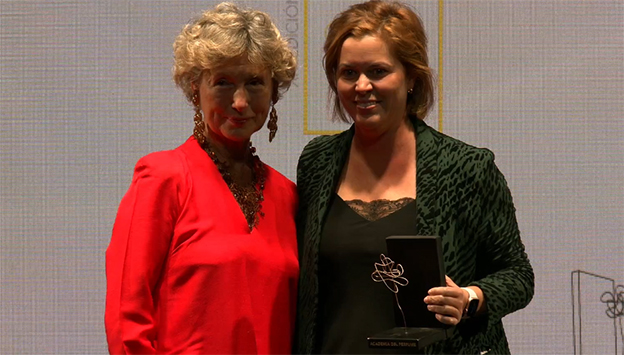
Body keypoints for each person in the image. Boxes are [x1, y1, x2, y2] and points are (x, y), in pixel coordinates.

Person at [294, 0, 534, 354]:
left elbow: (517, 276)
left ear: (411, 77)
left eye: (378, 71)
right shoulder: (317, 162)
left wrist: (470, 298)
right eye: (348, 73)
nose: (362, 86)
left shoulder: (467, 168)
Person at [105, 3, 298, 354]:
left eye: (255, 82)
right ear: (196, 88)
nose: (240, 102)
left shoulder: (288, 195)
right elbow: (126, 317)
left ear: (274, 92)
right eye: (223, 82)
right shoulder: (163, 178)